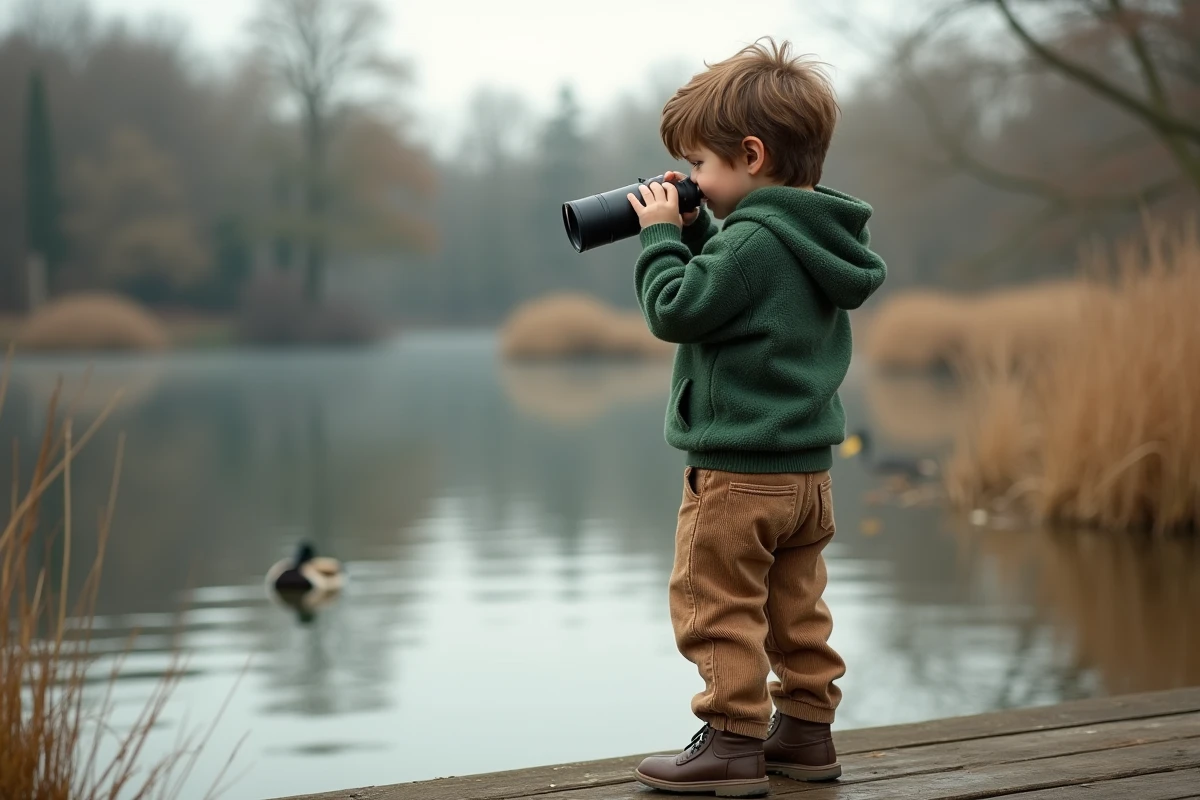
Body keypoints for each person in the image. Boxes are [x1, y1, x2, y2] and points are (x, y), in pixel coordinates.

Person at [625, 36, 887, 797]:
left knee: (716, 603)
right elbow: (735, 289)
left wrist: (660, 237)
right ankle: (806, 731)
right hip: (806, 476)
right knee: (795, 606)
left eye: (699, 164)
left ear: (751, 155)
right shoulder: (808, 238)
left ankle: (732, 742)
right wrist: (698, 229)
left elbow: (678, 309)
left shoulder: (750, 243)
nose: (692, 181)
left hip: (738, 474)